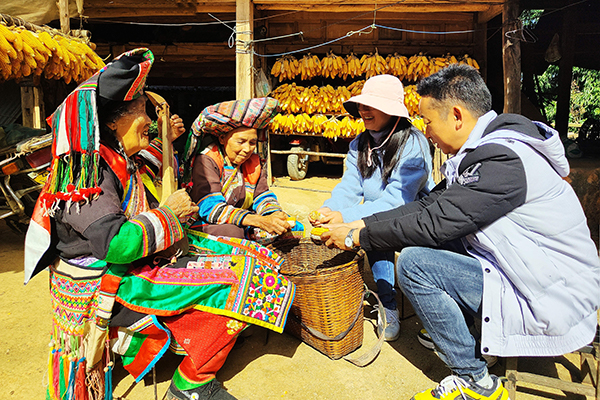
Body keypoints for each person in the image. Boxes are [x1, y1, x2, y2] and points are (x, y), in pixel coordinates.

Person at [23, 48, 296, 400]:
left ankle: (206, 343)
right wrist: (168, 213)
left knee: (255, 257)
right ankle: (192, 383)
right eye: (142, 112)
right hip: (107, 280)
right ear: (112, 122)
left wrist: (165, 143)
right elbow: (116, 244)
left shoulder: (118, 157)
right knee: (244, 280)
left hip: (134, 265)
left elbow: (151, 165)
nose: (149, 121)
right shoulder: (86, 172)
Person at [322, 64, 600, 399]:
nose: (426, 132)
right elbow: (429, 205)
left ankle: (476, 381)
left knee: (414, 264)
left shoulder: (503, 160)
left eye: (428, 121)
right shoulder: (484, 153)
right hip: (528, 272)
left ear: (456, 116)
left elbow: (433, 222)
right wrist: (360, 223)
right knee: (431, 240)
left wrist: (355, 237)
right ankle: (469, 331)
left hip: (550, 294)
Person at [308, 74, 434, 342]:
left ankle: (394, 303)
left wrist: (346, 218)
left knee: (376, 231)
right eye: (362, 105)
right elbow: (349, 186)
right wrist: (331, 210)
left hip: (415, 217)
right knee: (372, 229)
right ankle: (386, 303)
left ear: (391, 110)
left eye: (371, 105)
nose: (363, 110)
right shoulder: (359, 144)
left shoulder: (413, 144)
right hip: (381, 214)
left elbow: (397, 202)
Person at [181, 98, 303, 244]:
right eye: (241, 142)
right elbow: (210, 207)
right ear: (222, 138)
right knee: (233, 233)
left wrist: (274, 214)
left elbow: (262, 195)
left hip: (241, 219)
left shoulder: (254, 161)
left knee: (293, 227)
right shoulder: (207, 160)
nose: (247, 149)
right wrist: (259, 221)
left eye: (252, 143)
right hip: (208, 221)